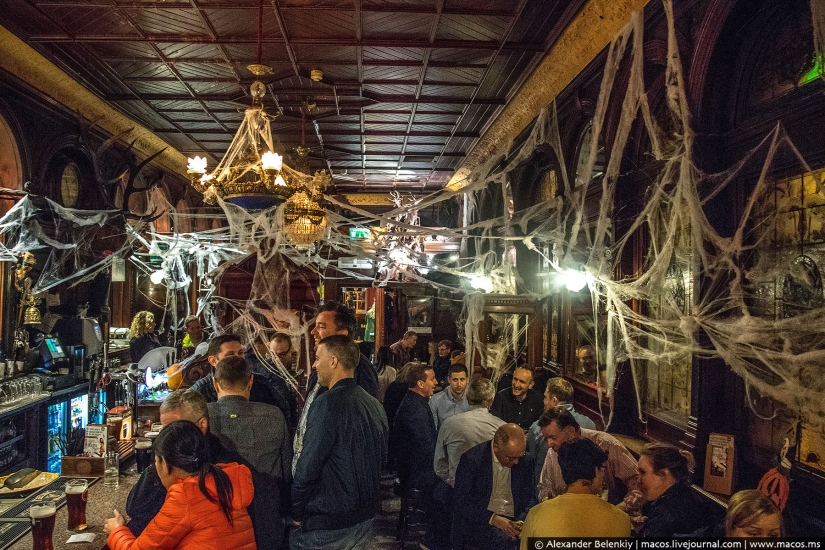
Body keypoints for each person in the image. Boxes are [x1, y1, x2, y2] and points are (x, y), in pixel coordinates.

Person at [124, 389, 281, 549]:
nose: (167, 436)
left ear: (202, 425)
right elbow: (134, 508)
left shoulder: (227, 467)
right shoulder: (174, 460)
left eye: (176, 427)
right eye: (164, 430)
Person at [291, 335, 388, 550]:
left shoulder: (326, 404)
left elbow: (308, 466)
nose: (314, 365)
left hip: (329, 521)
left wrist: (296, 511)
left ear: (333, 361)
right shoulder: (373, 403)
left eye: (317, 358)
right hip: (364, 517)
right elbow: (382, 458)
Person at [105, 420, 256, 550]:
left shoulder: (186, 496)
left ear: (164, 463)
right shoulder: (224, 478)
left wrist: (117, 530)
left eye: (156, 461)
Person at [293, 302, 379, 473]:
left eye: (321, 326)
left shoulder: (359, 368)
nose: (313, 332)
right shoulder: (320, 367)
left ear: (342, 334)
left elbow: (359, 429)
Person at [519, 438, 631, 545]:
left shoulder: (536, 515)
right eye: (602, 468)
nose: (603, 474)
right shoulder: (621, 519)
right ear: (596, 470)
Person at [208, 355, 292, 482]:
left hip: (218, 497)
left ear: (215, 383)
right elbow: (287, 467)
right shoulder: (274, 415)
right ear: (251, 381)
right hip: (266, 497)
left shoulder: (201, 416)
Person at [451, 424, 536, 550]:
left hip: (515, 518)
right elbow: (461, 502)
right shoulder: (473, 460)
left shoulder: (526, 461)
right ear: (496, 448)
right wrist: (493, 519)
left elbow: (531, 496)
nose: (517, 462)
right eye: (511, 458)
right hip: (483, 520)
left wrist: (521, 521)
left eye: (520, 456)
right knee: (505, 543)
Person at [537, 406, 641, 508]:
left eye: (553, 437)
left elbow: (639, 481)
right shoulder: (553, 452)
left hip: (605, 518)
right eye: (547, 438)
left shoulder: (607, 444)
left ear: (571, 431)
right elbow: (545, 487)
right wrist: (549, 502)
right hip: (566, 518)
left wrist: (620, 509)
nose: (549, 444)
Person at [190, 335, 293, 423]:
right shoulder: (200, 391)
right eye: (230, 355)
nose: (238, 358)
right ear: (213, 361)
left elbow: (284, 411)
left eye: (240, 353)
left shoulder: (261, 383)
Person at [434, 378, 505, 486]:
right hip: (489, 490)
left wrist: (453, 480)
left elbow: (439, 465)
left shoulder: (448, 424)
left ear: (467, 398)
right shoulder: (501, 427)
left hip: (457, 488)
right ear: (491, 400)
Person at [527, 377, 596, 486]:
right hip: (583, 491)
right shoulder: (590, 424)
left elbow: (532, 464)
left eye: (545, 397)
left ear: (554, 400)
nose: (543, 401)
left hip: (548, 495)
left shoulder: (537, 428)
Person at [635, 443, 715, 537]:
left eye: (643, 472)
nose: (638, 480)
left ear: (663, 474)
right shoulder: (689, 496)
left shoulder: (667, 514)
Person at [393, 362, 438, 491]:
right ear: (420, 383)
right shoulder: (414, 409)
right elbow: (425, 446)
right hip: (415, 474)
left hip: (414, 469)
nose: (435, 383)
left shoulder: (416, 402)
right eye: (432, 379)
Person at [489, 366, 544, 431]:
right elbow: (494, 425)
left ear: (530, 385)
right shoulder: (501, 397)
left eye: (522, 382)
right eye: (515, 379)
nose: (516, 385)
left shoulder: (538, 400)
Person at [429, 362, 469, 430]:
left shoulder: (474, 400)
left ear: (467, 380)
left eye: (462, 379)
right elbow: (433, 430)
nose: (459, 384)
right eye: (455, 380)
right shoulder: (435, 401)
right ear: (449, 380)